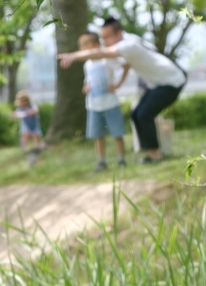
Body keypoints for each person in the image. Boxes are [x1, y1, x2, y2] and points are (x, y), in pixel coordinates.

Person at [59, 17, 186, 163]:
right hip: (159, 83)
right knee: (136, 113)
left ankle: (155, 154)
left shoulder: (128, 45)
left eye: (108, 36)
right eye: (103, 37)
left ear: (119, 33)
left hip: (172, 81)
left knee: (144, 114)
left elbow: (102, 53)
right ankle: (151, 151)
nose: (105, 41)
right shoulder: (129, 39)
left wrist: (74, 56)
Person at [78, 32, 130, 171]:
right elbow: (87, 80)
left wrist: (117, 84)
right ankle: (101, 161)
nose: (82, 50)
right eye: (81, 47)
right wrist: (86, 86)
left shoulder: (106, 60)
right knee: (98, 135)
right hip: (94, 106)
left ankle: (121, 159)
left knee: (117, 133)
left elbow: (125, 65)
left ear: (96, 45)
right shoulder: (87, 64)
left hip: (110, 103)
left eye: (85, 46)